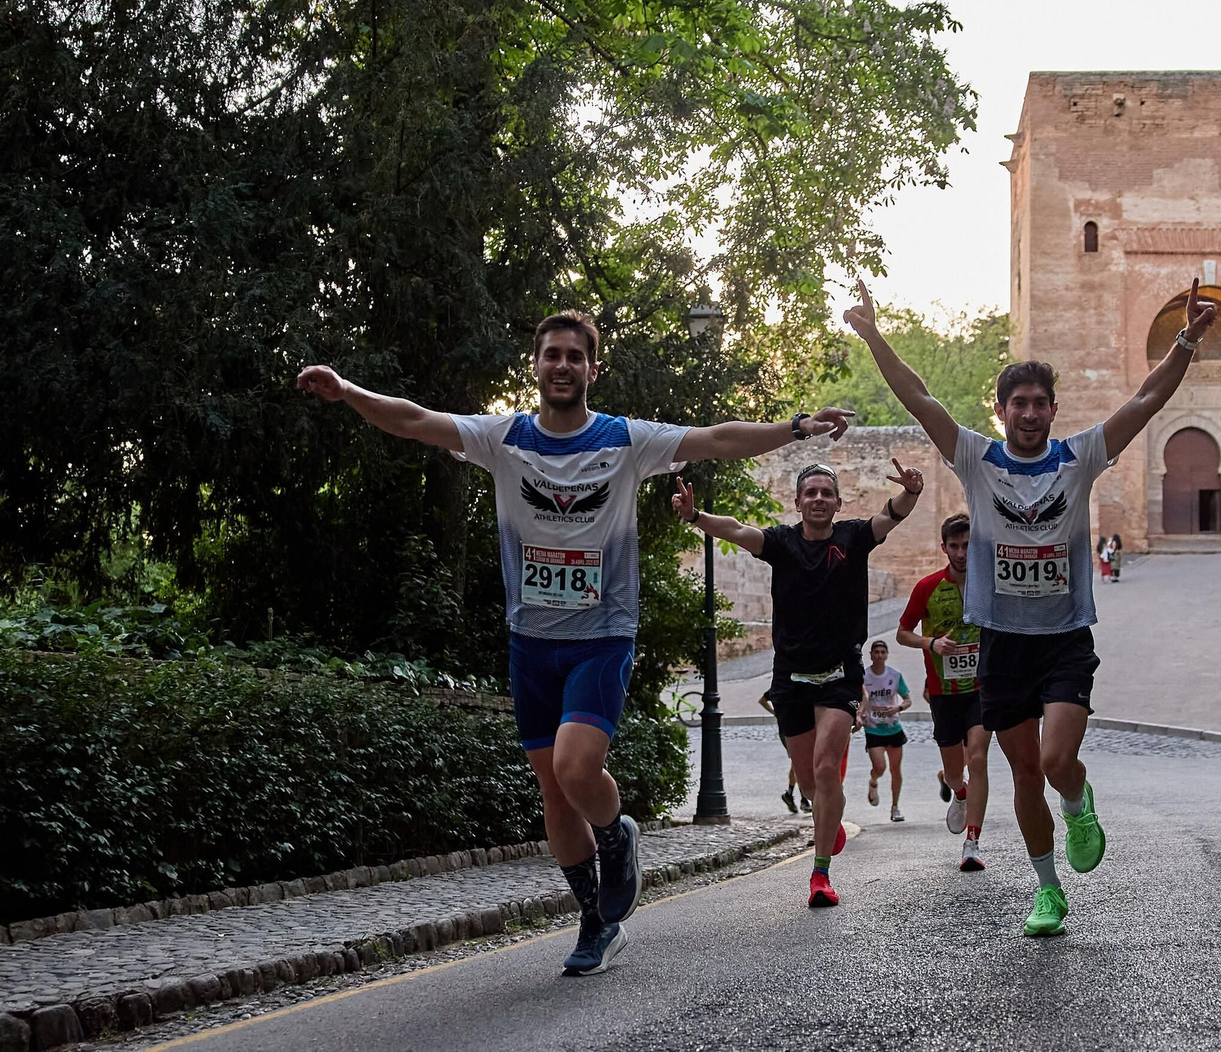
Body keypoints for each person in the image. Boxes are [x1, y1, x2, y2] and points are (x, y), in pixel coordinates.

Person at [297, 310, 854, 975]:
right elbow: (417, 420)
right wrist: (350, 393)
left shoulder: (625, 440)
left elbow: (716, 439)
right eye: (551, 354)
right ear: (535, 365)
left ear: (593, 369)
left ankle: (617, 835)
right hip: (530, 641)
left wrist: (797, 428)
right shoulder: (503, 437)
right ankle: (596, 921)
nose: (561, 365)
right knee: (555, 797)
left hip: (602, 635)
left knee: (575, 765)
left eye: (574, 356)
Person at [847, 276, 1218, 937]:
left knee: (1052, 762)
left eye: (1040, 403)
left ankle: (1077, 797)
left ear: (1052, 410)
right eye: (1018, 402)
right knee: (1022, 772)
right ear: (1001, 410)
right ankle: (1048, 891)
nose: (1029, 412)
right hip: (1003, 642)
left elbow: (1145, 398)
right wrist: (873, 333)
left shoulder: (1079, 458)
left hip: (1065, 635)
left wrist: (1186, 339)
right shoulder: (974, 457)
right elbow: (918, 394)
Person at [671, 458, 923, 907]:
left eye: (827, 492)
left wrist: (912, 491)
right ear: (799, 502)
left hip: (841, 677)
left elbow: (892, 515)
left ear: (838, 502)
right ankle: (830, 818)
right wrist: (694, 517)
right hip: (790, 678)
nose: (820, 499)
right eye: (811, 493)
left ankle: (820, 874)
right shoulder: (782, 543)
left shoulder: (854, 537)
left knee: (827, 768)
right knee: (810, 783)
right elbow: (735, 530)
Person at [897, 512, 991, 872]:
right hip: (943, 691)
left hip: (982, 688)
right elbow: (902, 632)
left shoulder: (989, 583)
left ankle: (972, 843)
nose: (962, 552)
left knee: (978, 758)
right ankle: (960, 792)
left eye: (967, 545)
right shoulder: (927, 587)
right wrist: (931, 642)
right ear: (944, 548)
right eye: (955, 546)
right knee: (954, 773)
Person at [860, 640, 911, 822]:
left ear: (887, 655)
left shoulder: (895, 675)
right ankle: (873, 781)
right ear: (871, 655)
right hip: (874, 729)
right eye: (876, 652)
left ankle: (895, 807)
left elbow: (907, 699)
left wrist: (898, 708)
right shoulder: (864, 676)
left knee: (896, 770)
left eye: (883, 652)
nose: (880, 655)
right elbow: (858, 699)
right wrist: (861, 714)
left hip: (893, 727)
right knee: (880, 767)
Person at [759, 690, 811, 814]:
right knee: (798, 763)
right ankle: (802, 799)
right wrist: (774, 712)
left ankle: (790, 794)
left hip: (798, 729)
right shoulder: (780, 687)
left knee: (797, 764)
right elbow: (762, 700)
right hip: (788, 730)